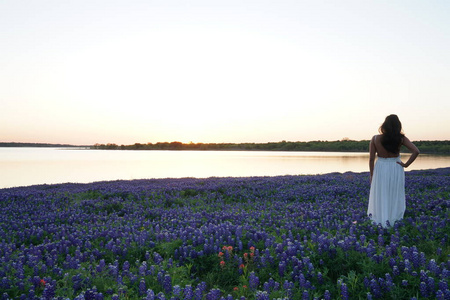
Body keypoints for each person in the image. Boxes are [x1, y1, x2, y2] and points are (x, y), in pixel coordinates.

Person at [367, 114, 420, 227]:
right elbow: (416, 151)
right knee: (394, 193)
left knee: (381, 193)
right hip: (395, 166)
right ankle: (393, 221)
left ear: (384, 125)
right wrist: (406, 165)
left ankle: (380, 221)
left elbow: (371, 159)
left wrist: (372, 175)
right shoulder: (401, 138)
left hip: (380, 167)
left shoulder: (375, 138)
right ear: (398, 126)